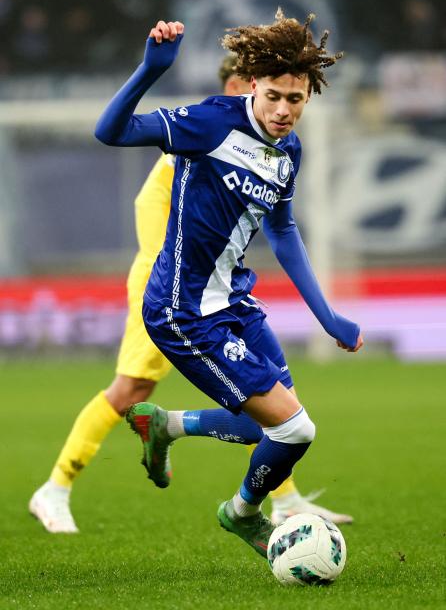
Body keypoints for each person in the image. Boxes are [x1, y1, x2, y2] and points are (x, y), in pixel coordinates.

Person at [29, 48, 352, 535]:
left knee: (276, 417)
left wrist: (326, 315)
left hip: (232, 297)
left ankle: (200, 446)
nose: (283, 109)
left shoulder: (287, 151)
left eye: (296, 99)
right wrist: (151, 70)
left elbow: (283, 231)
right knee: (133, 389)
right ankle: (55, 487)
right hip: (175, 297)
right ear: (247, 89)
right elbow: (121, 148)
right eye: (271, 95)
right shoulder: (206, 131)